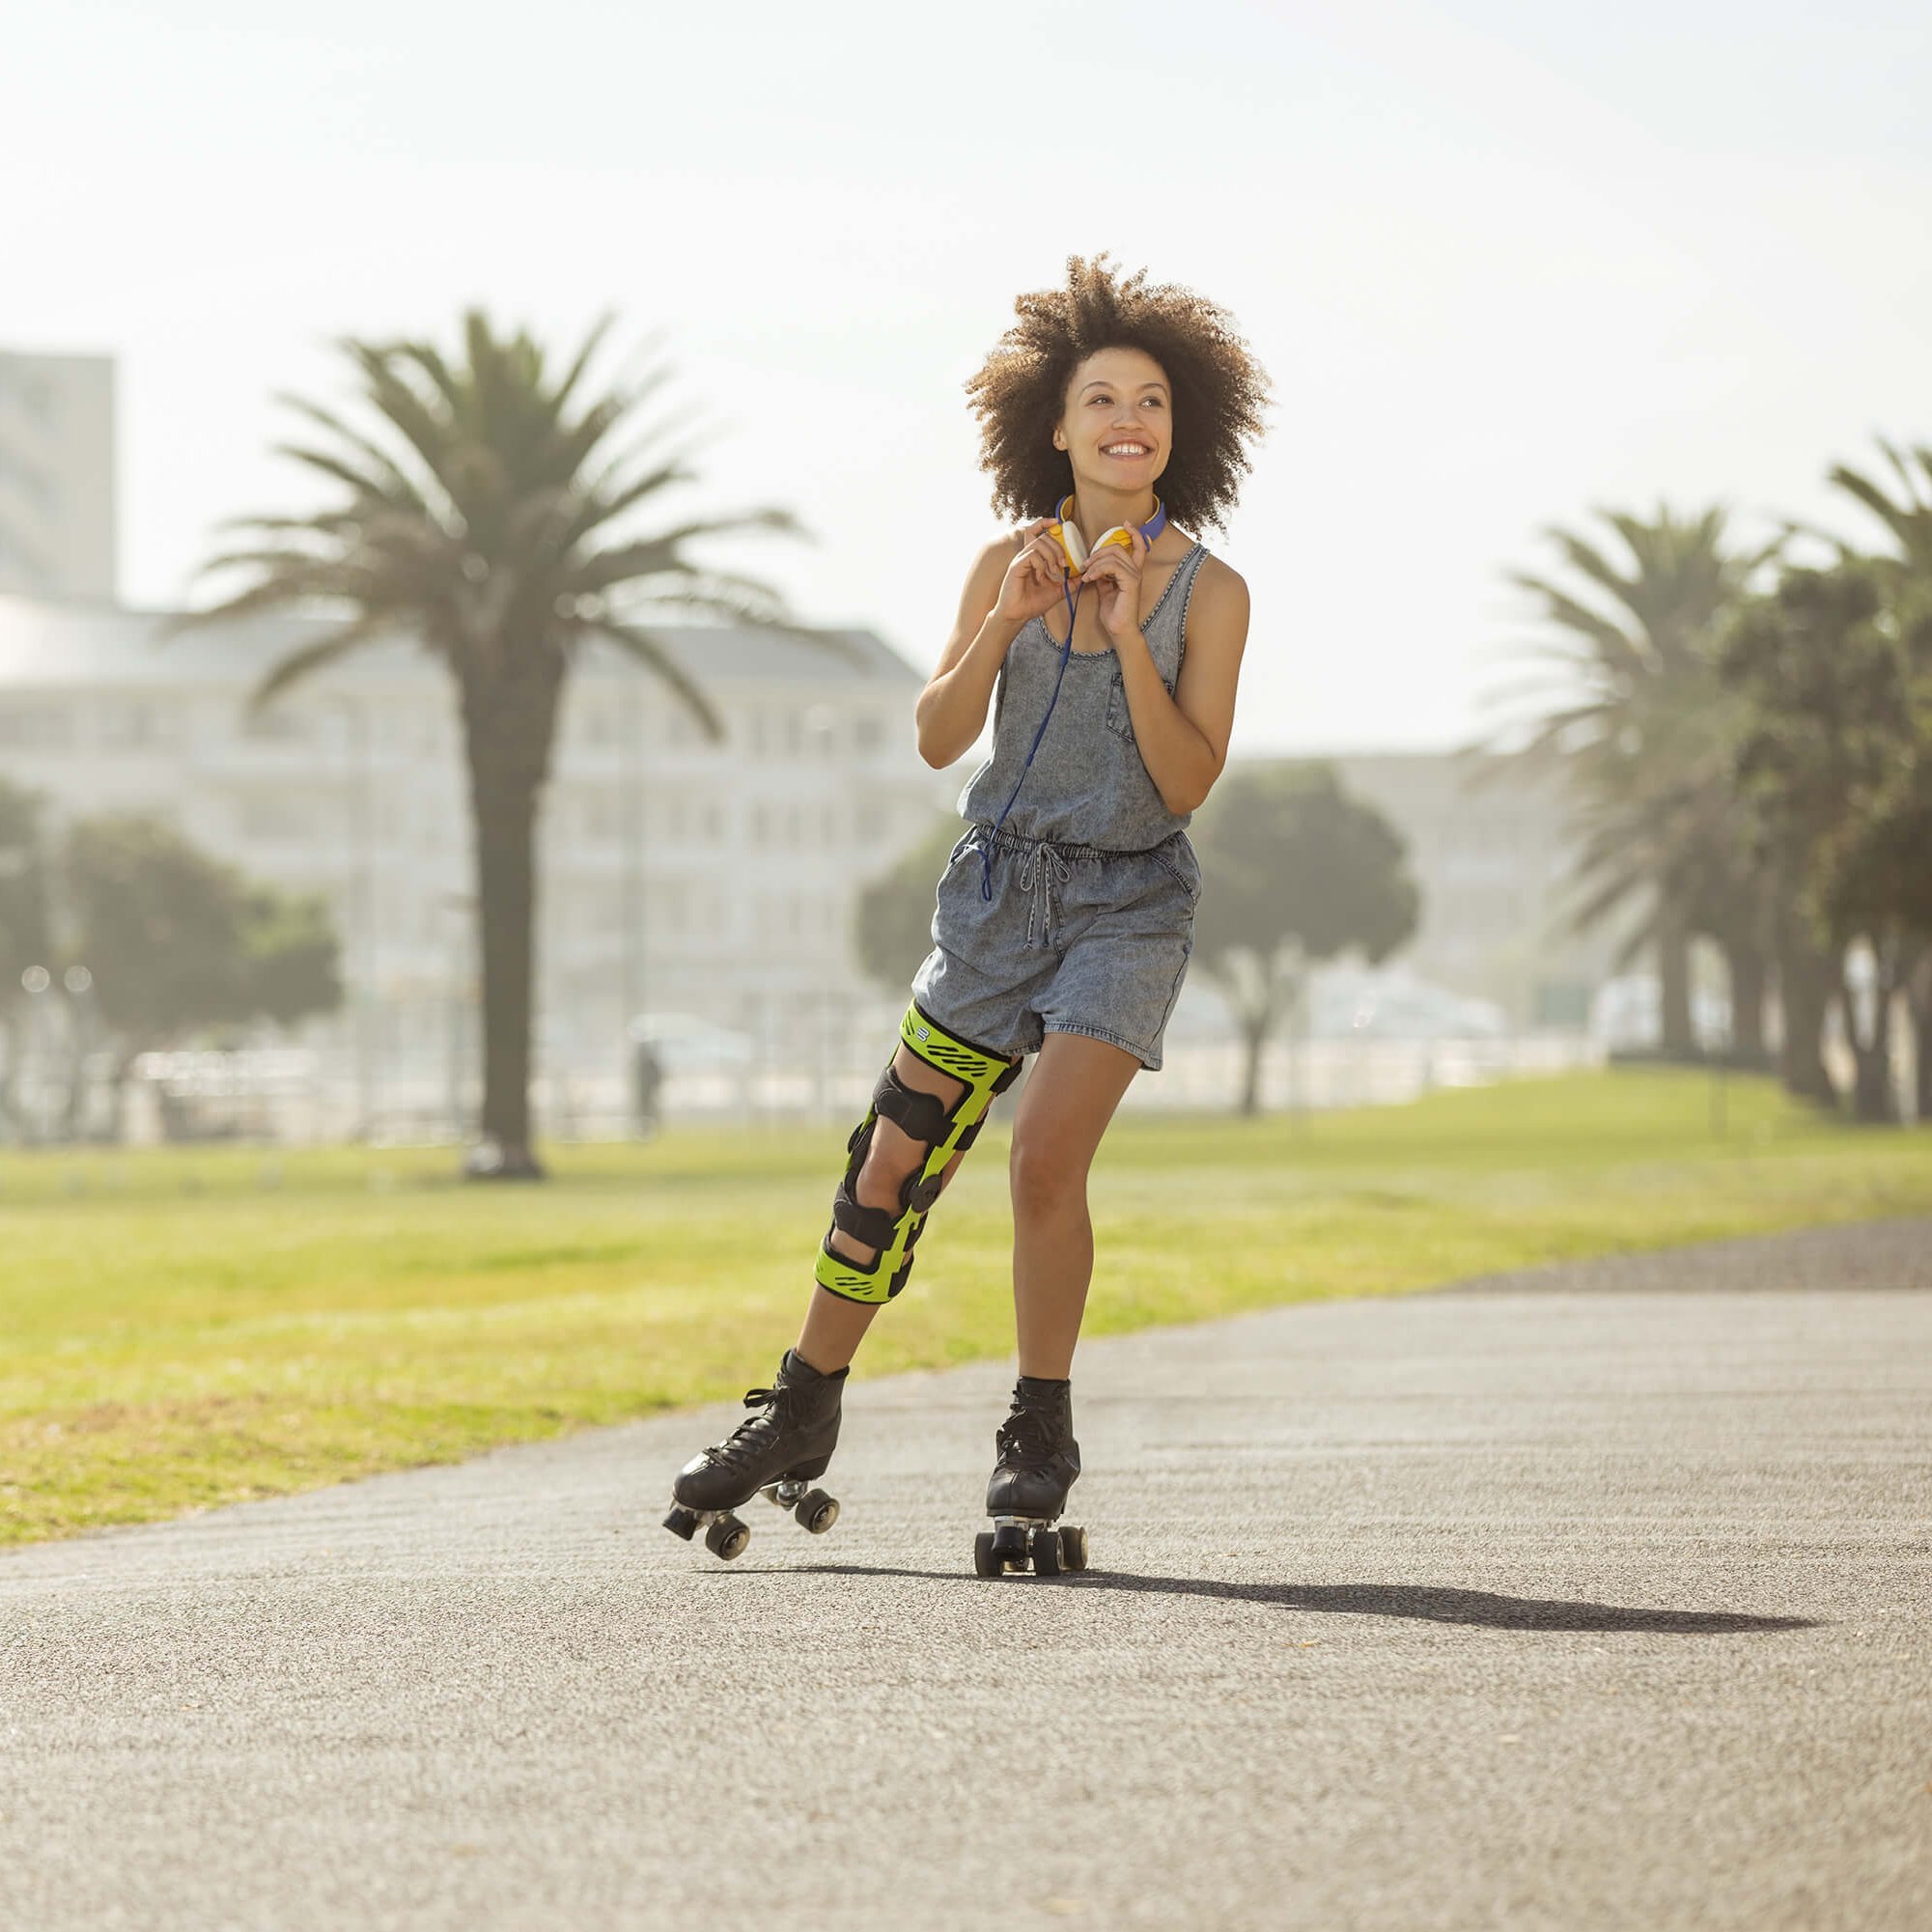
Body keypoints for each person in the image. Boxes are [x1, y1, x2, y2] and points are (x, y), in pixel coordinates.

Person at [664, 253, 1268, 1571]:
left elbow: (1184, 781)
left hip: (1125, 903)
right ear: (1053, 426)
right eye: (1100, 399)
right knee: (888, 1163)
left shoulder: (1211, 594)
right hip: (995, 896)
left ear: (1182, 428)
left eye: (1151, 402)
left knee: (1042, 1156)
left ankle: (1038, 1427)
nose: (1127, 421)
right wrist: (1006, 622)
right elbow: (939, 736)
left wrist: (1124, 635)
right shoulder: (1005, 562)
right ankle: (801, 1405)